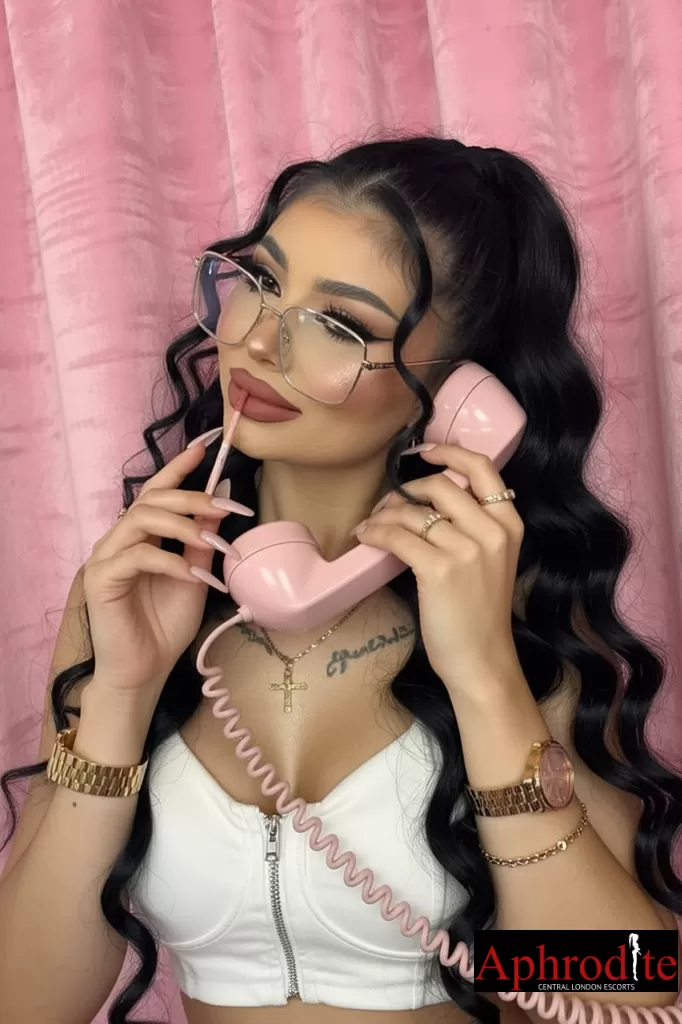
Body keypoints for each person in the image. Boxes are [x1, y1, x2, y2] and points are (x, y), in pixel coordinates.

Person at [0, 134, 680, 1024]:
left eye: (340, 325)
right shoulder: (132, 594)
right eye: (260, 281)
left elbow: (630, 999)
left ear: (460, 395)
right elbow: (29, 1005)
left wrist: (484, 680)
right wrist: (122, 698)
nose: (258, 342)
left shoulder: (522, 625)